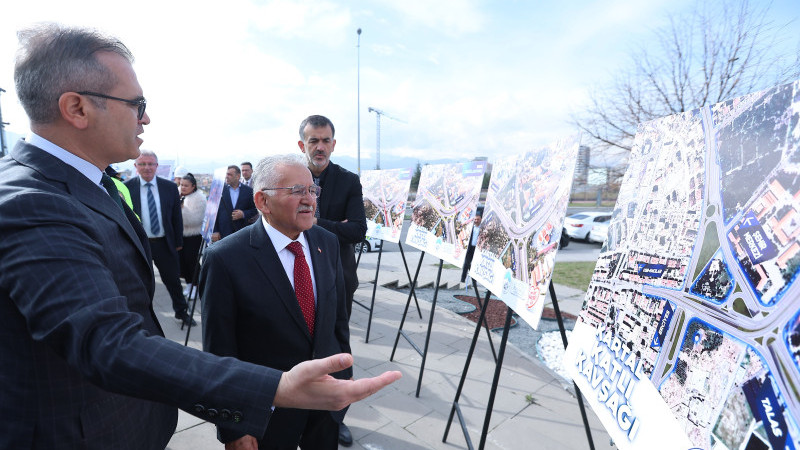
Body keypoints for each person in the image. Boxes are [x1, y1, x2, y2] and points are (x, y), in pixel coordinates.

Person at [0, 24, 400, 450]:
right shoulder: (32, 203)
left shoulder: (90, 185)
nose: (146, 118)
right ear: (77, 108)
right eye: (137, 104)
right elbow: (109, 343)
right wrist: (270, 391)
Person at [201, 154, 352, 449]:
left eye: (312, 190)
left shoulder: (327, 242)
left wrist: (344, 379)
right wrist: (233, 427)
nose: (309, 200)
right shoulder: (225, 258)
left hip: (326, 404)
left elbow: (338, 322)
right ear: (263, 201)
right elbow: (219, 354)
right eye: (297, 191)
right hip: (266, 414)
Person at [297, 114, 367, 446]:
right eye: (314, 140)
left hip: (338, 277)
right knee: (297, 343)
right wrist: (335, 225)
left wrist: (312, 222)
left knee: (336, 347)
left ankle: (335, 417)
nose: (320, 147)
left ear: (334, 144)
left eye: (326, 140)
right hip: (296, 273)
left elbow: (357, 230)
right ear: (302, 145)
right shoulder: (290, 177)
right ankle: (295, 408)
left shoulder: (348, 181)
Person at [125, 150, 195, 326]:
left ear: (157, 166)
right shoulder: (127, 188)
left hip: (165, 243)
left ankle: (182, 312)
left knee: (173, 280)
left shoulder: (169, 187)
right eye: (142, 164)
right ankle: (141, 318)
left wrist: (178, 242)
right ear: (135, 166)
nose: (147, 167)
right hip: (140, 245)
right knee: (140, 283)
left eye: (150, 164)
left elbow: (176, 217)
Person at [211, 164, 257, 242]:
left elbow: (255, 209)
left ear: (238, 176)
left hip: (242, 233)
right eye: (226, 174)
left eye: (230, 174)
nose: (227, 176)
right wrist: (215, 230)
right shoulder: (218, 190)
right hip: (223, 234)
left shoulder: (248, 191)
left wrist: (243, 214)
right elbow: (212, 212)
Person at [179, 172, 206, 298]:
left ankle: (196, 286)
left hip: (193, 235)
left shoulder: (199, 198)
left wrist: (182, 209)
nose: (183, 187)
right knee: (182, 262)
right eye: (181, 185)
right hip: (180, 234)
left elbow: (195, 219)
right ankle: (189, 284)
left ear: (193, 186)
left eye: (186, 185)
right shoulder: (177, 194)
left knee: (191, 261)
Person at [461, 209, 483, 284]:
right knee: (466, 263)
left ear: (481, 220)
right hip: (470, 247)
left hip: (476, 249)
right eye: (475, 219)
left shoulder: (482, 229)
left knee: (474, 265)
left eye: (478, 219)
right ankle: (463, 279)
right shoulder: (471, 227)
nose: (476, 221)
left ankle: (474, 281)